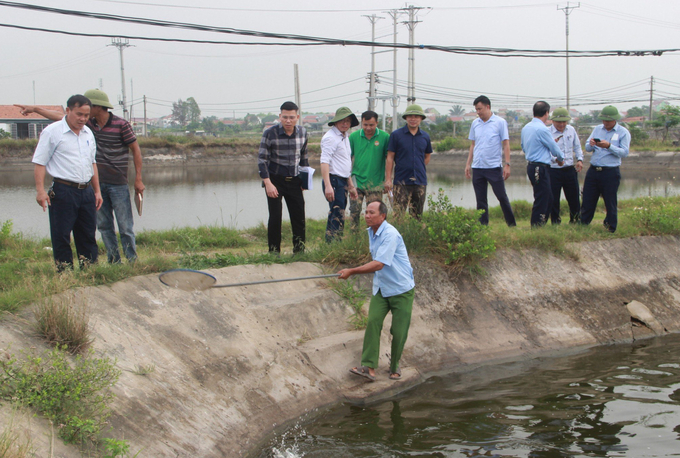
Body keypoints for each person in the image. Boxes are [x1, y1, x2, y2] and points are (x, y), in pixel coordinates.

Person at [17, 88, 145, 263]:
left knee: (118, 227)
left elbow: (132, 151)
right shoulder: (74, 128)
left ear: (97, 108)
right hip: (79, 187)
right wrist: (36, 109)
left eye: (87, 112)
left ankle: (127, 261)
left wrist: (136, 179)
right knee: (96, 227)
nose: (84, 117)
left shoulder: (112, 126)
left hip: (114, 184)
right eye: (80, 114)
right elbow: (58, 120)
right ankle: (108, 262)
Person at [339, 200, 415, 382]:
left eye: (372, 212)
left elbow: (379, 263)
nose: (367, 215)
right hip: (381, 288)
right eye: (366, 212)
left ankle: (395, 365)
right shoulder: (371, 232)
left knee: (398, 330)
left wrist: (352, 271)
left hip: (401, 288)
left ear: (383, 215)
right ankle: (369, 367)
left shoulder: (390, 234)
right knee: (373, 322)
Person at [32, 94, 103, 270]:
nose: (83, 119)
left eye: (86, 116)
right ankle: (64, 271)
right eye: (79, 114)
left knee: (87, 233)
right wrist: (40, 191)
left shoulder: (88, 133)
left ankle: (90, 269)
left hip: (86, 190)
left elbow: (92, 163)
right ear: (68, 111)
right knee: (61, 234)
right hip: (64, 190)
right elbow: (40, 163)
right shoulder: (52, 132)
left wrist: (97, 191)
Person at [258, 101, 309, 254]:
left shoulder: (303, 132)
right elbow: (262, 160)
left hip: (295, 180)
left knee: (299, 217)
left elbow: (304, 158)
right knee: (275, 218)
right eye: (285, 117)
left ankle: (299, 252)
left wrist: (305, 182)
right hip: (275, 180)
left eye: (292, 117)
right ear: (280, 116)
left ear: (297, 117)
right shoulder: (269, 133)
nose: (288, 121)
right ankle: (274, 253)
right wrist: (268, 183)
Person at [465, 95, 516, 226]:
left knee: (502, 197)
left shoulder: (499, 122)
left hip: (493, 167)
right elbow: (472, 144)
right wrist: (468, 164)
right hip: (478, 167)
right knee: (480, 200)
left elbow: (506, 144)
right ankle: (483, 226)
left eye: (480, 109)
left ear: (488, 107)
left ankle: (511, 224)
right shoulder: (475, 123)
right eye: (476, 109)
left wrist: (507, 164)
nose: (478, 112)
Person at [580, 105, 630, 233]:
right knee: (588, 199)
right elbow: (587, 147)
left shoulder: (623, 132)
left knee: (610, 200)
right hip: (594, 170)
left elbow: (624, 152)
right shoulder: (597, 129)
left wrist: (609, 146)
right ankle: (583, 224)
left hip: (610, 172)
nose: (605, 123)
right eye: (604, 120)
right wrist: (591, 144)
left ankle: (610, 227)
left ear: (615, 120)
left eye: (608, 121)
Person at [520, 101, 565, 227]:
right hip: (540, 168)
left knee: (548, 197)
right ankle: (536, 226)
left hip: (532, 165)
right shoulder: (542, 129)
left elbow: (524, 147)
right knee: (542, 198)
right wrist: (561, 159)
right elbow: (555, 149)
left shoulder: (526, 128)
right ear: (546, 113)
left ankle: (542, 224)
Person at [385, 104, 433, 219]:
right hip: (401, 181)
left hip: (420, 181)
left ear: (421, 118)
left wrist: (417, 167)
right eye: (410, 116)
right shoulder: (396, 135)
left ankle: (414, 236)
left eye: (416, 116)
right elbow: (390, 157)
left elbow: (427, 156)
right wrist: (388, 179)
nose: (413, 119)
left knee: (417, 215)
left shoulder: (425, 137)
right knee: (398, 214)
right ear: (406, 118)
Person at [321, 107, 359, 242]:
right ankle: (332, 244)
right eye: (342, 121)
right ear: (336, 122)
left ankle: (335, 242)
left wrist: (350, 185)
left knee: (339, 213)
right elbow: (324, 162)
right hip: (333, 180)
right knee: (336, 213)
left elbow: (345, 164)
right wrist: (328, 185)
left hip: (342, 180)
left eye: (348, 121)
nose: (345, 124)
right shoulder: (330, 137)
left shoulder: (345, 137)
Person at [349, 110, 389, 228]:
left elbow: (389, 159)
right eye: (365, 125)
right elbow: (347, 159)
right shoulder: (353, 137)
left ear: (377, 123)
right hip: (357, 182)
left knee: (374, 215)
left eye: (371, 125)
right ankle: (354, 238)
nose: (368, 128)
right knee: (354, 212)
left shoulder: (385, 137)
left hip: (376, 183)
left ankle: (375, 236)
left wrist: (388, 179)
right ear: (361, 123)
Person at [548, 107, 583, 224]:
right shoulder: (547, 132)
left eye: (564, 122)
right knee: (553, 198)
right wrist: (555, 159)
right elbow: (546, 151)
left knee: (573, 197)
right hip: (553, 170)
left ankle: (575, 219)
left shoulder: (571, 130)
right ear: (552, 121)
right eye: (559, 122)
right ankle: (555, 221)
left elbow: (577, 146)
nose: (562, 124)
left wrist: (580, 159)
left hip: (569, 169)